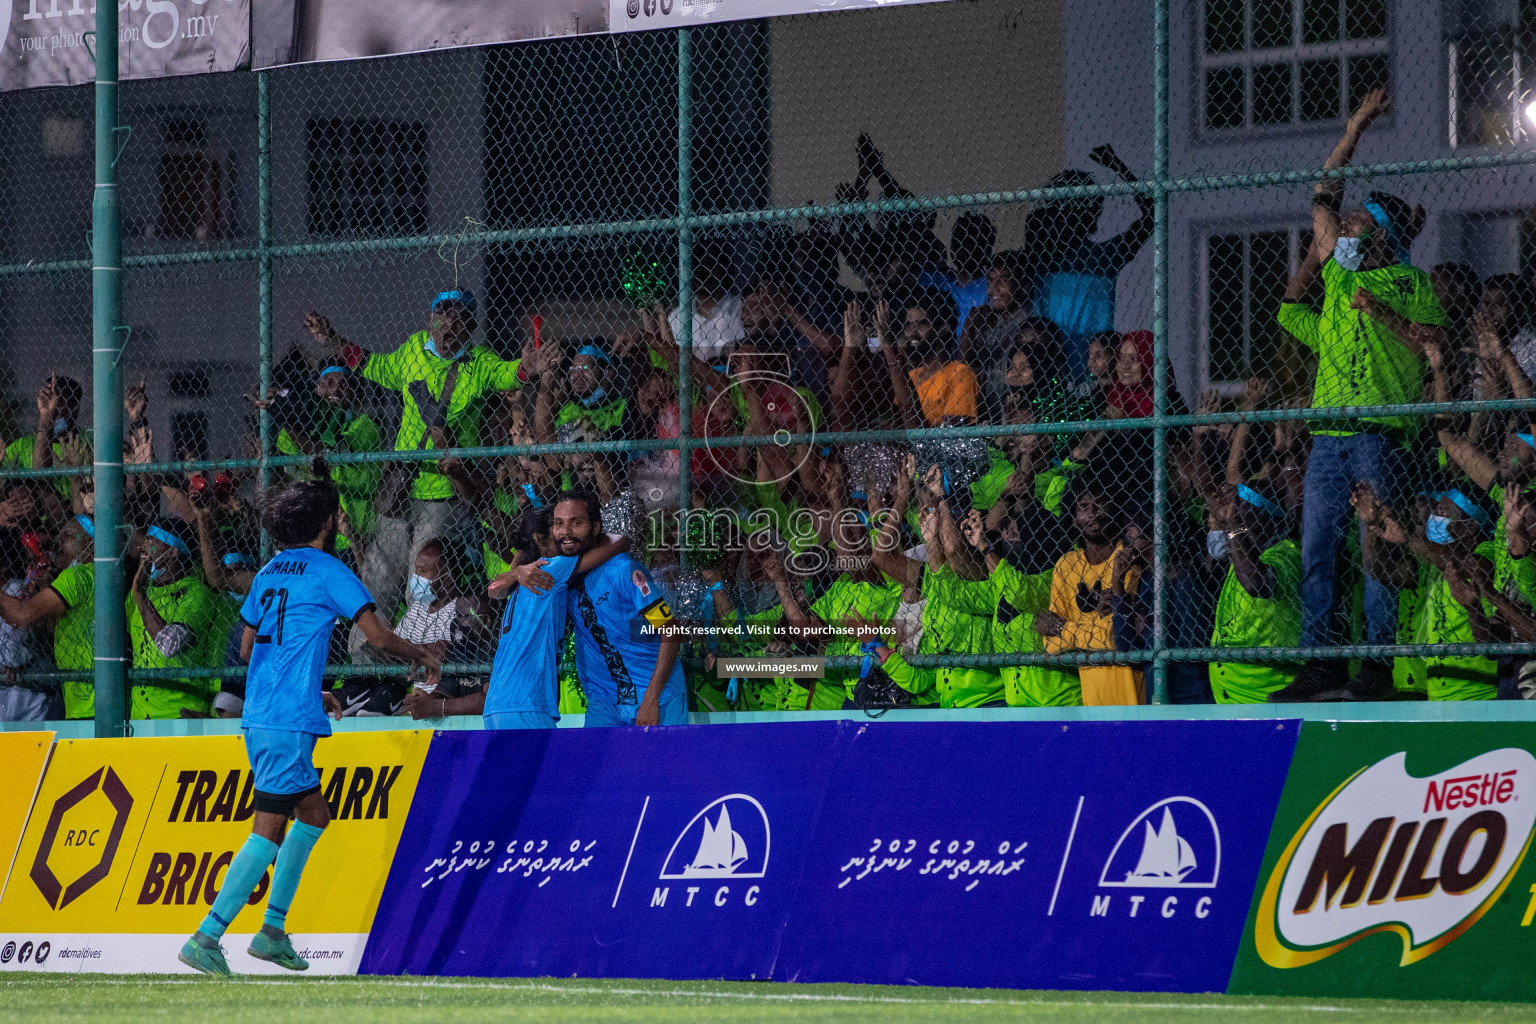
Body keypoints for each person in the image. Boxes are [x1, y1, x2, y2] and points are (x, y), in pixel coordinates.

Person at [178, 462, 440, 977]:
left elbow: (251, 644)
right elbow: (379, 636)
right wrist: (423, 655)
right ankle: (206, 937)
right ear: (328, 522)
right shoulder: (329, 571)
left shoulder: (270, 571)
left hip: (265, 713)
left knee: (314, 814)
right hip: (286, 721)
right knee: (267, 832)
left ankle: (273, 931)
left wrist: (306, 685)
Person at [1270, 88, 1450, 702]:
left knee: (1379, 542)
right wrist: (1354, 128)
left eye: (1357, 221)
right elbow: (1323, 194)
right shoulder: (1340, 272)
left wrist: (1383, 312)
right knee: (1319, 547)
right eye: (1347, 221)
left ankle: (1376, 666)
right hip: (1329, 438)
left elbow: (1433, 343)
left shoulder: (1408, 280)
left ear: (1383, 233)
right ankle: (1321, 663)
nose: (1343, 227)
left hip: (1378, 434)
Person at [305, 291, 523, 634]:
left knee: (422, 592)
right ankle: (365, 672)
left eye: (460, 315)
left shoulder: (479, 362)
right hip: (400, 489)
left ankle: (419, 675)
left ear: (471, 327)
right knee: (376, 588)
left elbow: (510, 375)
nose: (449, 320)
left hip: (443, 496)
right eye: (442, 312)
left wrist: (530, 367)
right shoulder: (413, 349)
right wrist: (332, 340)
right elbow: (372, 365)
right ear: (430, 318)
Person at [554, 490, 687, 726]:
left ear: (596, 528)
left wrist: (651, 698)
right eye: (559, 524)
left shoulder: (624, 570)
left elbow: (671, 631)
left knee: (664, 764)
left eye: (577, 523)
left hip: (656, 699)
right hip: (604, 704)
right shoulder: (562, 577)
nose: (566, 532)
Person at [1027, 145, 1153, 381]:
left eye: (1067, 210)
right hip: (1050, 369)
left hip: (1094, 368)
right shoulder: (1041, 257)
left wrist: (1119, 167)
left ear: (1086, 215)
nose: (1059, 216)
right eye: (1056, 209)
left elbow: (1152, 215)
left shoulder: (1105, 256)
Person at [1037, 474, 1142, 705]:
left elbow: (1118, 637)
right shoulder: (1066, 565)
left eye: (1101, 503)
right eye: (1083, 506)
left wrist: (1062, 628)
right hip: (1092, 697)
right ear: (1073, 517)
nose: (1093, 512)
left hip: (1135, 691)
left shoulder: (1128, 556)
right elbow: (1051, 644)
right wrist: (1092, 630)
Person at [1206, 483, 1303, 703]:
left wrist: (1234, 528)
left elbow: (1257, 584)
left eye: (1240, 510)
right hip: (1230, 698)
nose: (1234, 515)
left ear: (1264, 516)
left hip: (1267, 696)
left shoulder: (1287, 552)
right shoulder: (1243, 553)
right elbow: (1210, 491)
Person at [0, 514, 94, 719]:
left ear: (91, 545)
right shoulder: (85, 574)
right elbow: (52, 631)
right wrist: (44, 586)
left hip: (89, 695)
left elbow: (24, 614)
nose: (58, 542)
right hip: (78, 692)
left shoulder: (78, 575)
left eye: (68, 536)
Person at [127, 520, 223, 719]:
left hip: (179, 713)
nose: (144, 547)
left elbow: (169, 646)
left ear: (172, 552)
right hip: (140, 716)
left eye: (153, 541)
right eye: (144, 541)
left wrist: (140, 595)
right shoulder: (142, 592)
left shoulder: (195, 592)